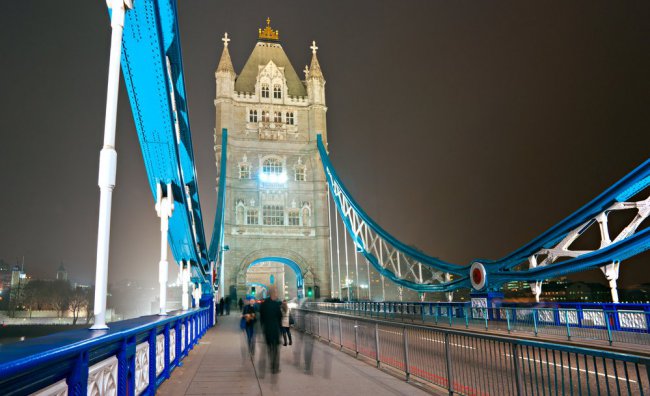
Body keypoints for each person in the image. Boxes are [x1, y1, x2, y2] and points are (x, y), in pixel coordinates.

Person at [259, 286, 282, 374]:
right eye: (276, 292)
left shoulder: (264, 304)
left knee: (270, 348)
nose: (276, 294)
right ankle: (274, 367)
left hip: (267, 330)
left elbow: (262, 317)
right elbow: (280, 317)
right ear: (273, 293)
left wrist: (263, 327)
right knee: (275, 349)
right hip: (275, 329)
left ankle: (272, 365)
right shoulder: (276, 304)